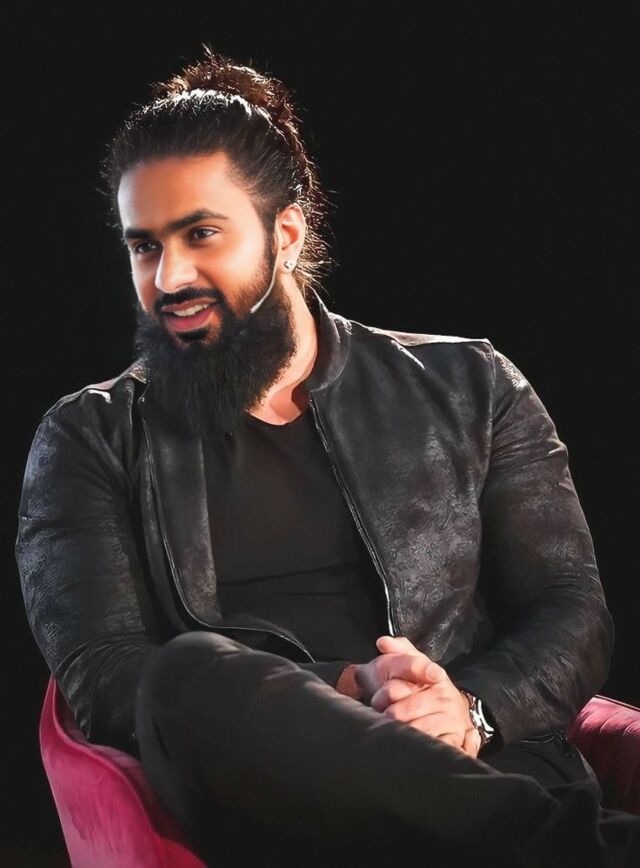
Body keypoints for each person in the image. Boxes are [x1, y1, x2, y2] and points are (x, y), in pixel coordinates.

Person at [15, 45, 639, 866]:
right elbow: (103, 677)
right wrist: (350, 690)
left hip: (482, 763)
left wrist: (469, 710)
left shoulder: (471, 383)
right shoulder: (88, 436)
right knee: (183, 675)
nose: (169, 276)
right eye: (144, 247)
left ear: (286, 232)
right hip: (272, 799)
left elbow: (572, 610)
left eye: (201, 234)